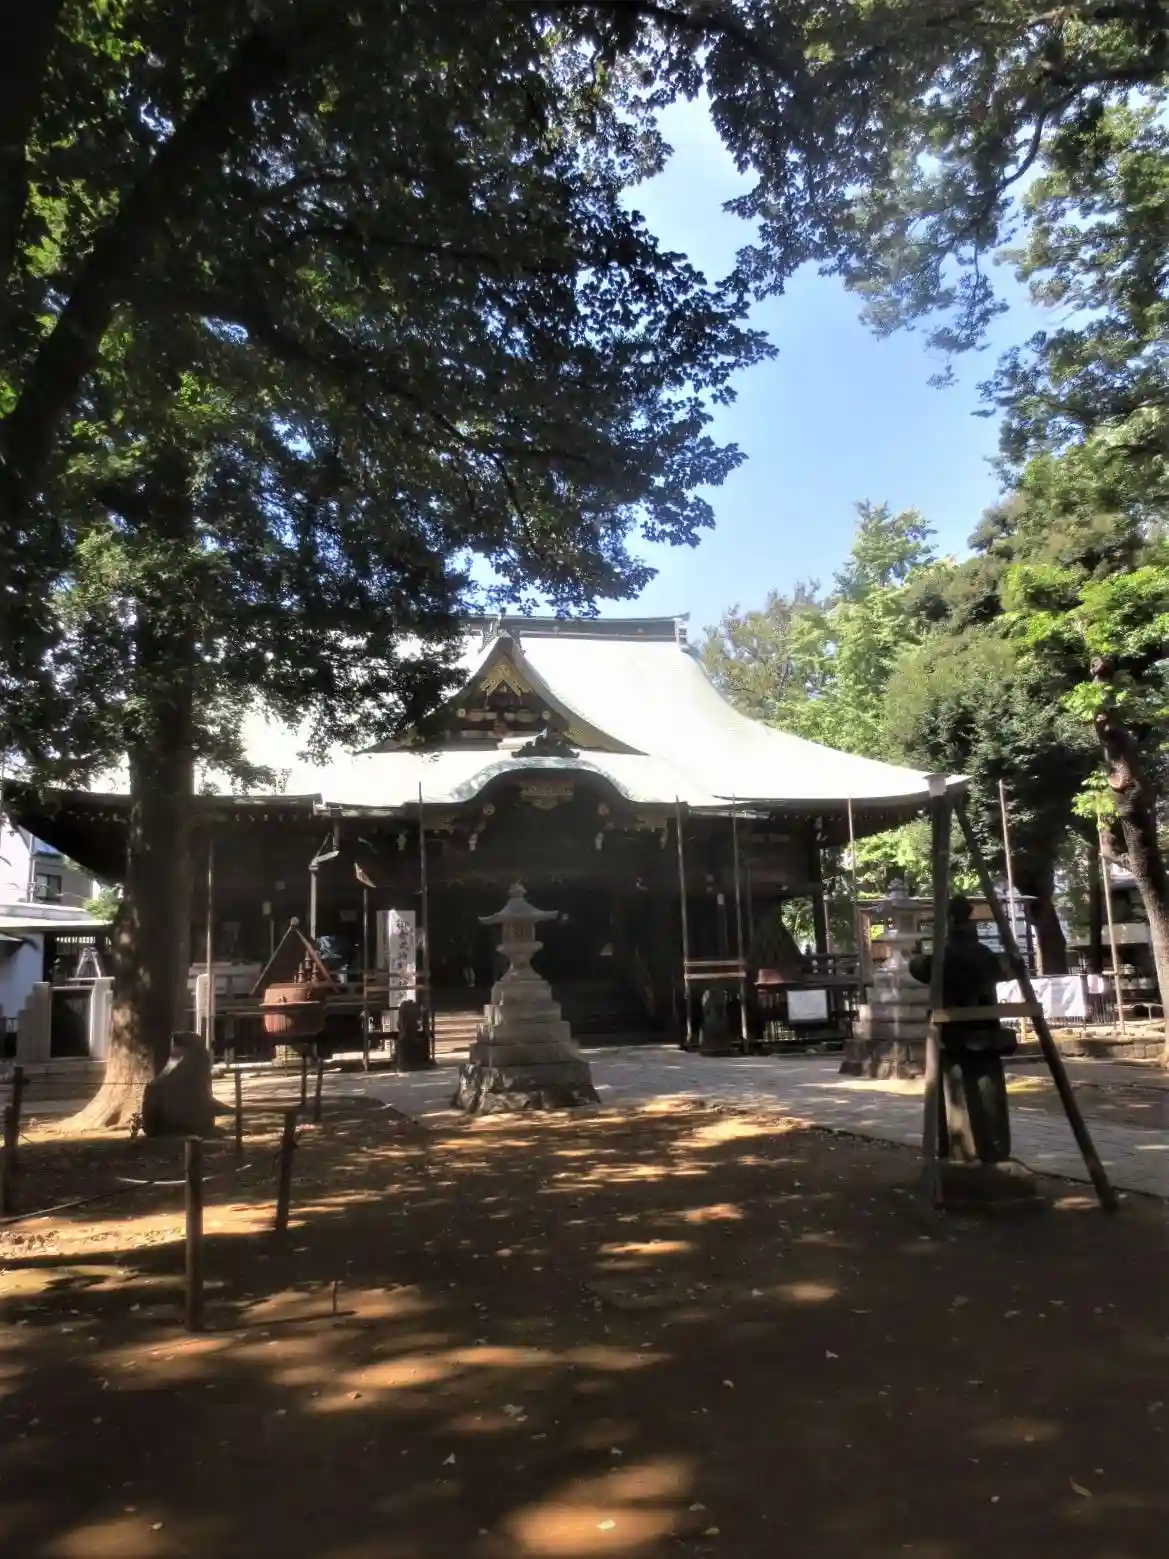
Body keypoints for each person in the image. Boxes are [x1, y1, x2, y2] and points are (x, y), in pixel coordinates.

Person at [909, 895, 1015, 1163]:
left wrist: (918, 957)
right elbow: (1009, 967)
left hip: (954, 1037)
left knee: (958, 1095)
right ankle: (993, 1150)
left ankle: (962, 1151)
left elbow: (919, 967)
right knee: (988, 1097)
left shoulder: (943, 959)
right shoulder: (986, 956)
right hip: (985, 1035)